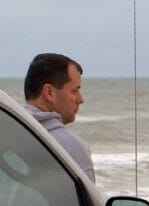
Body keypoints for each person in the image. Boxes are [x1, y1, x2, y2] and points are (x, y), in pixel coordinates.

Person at [23, 52, 95, 182]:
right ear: (49, 93)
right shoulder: (72, 148)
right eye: (75, 90)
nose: (81, 99)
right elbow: (88, 202)